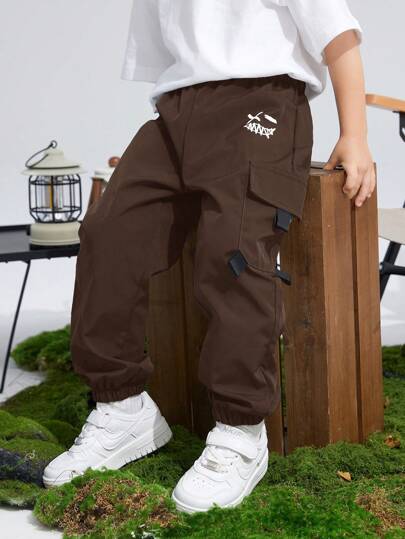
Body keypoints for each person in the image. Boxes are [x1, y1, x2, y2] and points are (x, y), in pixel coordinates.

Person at [43, 0, 375, 514]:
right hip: (178, 111)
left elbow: (337, 33)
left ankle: (241, 431)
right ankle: (122, 406)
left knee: (234, 255)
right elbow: (179, 55)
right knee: (108, 233)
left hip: (263, 98)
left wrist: (355, 134)